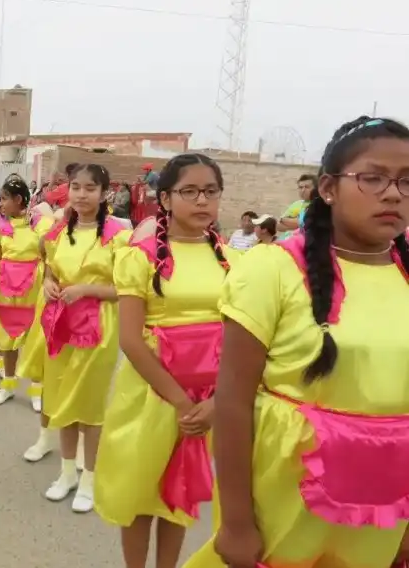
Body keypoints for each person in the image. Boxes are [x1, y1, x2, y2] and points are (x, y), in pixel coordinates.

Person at [187, 116, 409, 568]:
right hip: (285, 500)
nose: (393, 193)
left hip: (386, 506)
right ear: (327, 188)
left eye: (407, 181)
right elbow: (231, 403)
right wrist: (236, 523)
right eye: (372, 178)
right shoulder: (272, 270)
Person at [94, 153, 233, 568]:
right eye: (188, 191)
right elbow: (131, 341)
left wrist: (214, 403)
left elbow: (245, 342)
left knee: (180, 491)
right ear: (166, 199)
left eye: (210, 191)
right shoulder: (139, 257)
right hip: (152, 395)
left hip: (208, 399)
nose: (201, 200)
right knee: (139, 491)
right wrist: (180, 402)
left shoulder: (233, 260)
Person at [40, 164, 130, 514]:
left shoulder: (119, 237)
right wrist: (48, 282)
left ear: (104, 192)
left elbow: (128, 288)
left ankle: (90, 478)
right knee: (62, 399)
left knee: (90, 407)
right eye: (75, 187)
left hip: (99, 328)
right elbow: (51, 268)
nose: (81, 194)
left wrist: (88, 289)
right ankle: (66, 474)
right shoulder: (60, 232)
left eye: (90, 188)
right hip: (60, 324)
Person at [0, 176, 54, 405]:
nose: (1, 204)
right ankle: (8, 386)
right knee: (6, 343)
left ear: (19, 199)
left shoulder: (40, 223)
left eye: (5, 199)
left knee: (35, 342)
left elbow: (50, 255)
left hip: (33, 290)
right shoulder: (0, 226)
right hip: (5, 291)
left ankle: (37, 390)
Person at [277, 173, 316, 239]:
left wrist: (286, 221)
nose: (303, 190)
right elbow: (279, 226)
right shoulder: (297, 204)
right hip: (289, 241)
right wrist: (296, 223)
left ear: (316, 188)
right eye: (300, 187)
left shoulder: (319, 204)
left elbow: (305, 224)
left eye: (307, 187)